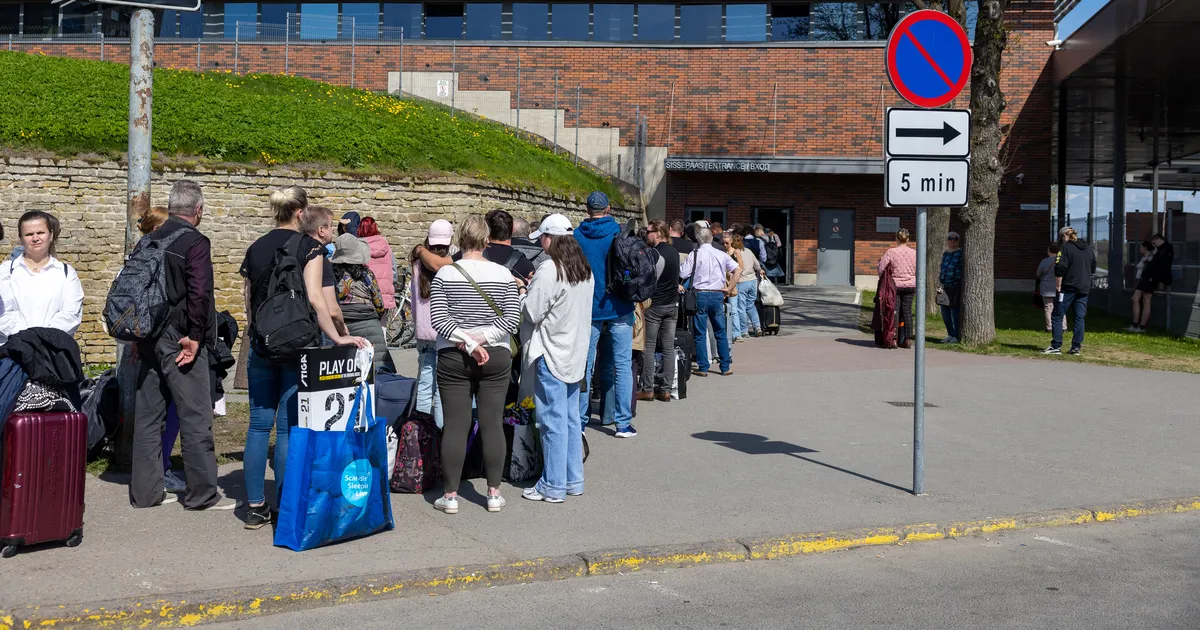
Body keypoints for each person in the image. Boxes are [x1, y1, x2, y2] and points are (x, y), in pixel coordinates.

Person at [240, 186, 368, 529]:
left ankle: (254, 506)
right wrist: (338, 336)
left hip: (263, 344)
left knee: (257, 426)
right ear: (301, 213)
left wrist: (259, 337)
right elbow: (315, 298)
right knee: (286, 429)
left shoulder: (254, 248)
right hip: (298, 345)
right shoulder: (310, 247)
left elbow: (249, 304)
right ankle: (283, 505)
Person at [128, 181, 236, 512]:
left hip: (146, 336)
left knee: (148, 418)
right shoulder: (194, 242)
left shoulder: (147, 240)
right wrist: (194, 335)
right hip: (180, 339)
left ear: (172, 207)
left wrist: (136, 337)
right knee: (195, 415)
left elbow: (134, 291)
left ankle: (146, 494)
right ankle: (202, 494)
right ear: (198, 211)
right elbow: (199, 293)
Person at [429, 214, 521, 514]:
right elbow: (511, 319)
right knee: (492, 423)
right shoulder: (504, 275)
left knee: (456, 425)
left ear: (460, 240)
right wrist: (483, 339)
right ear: (486, 241)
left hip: (454, 356)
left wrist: (469, 342)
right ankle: (494, 493)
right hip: (495, 355)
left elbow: (439, 321)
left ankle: (451, 495)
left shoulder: (445, 275)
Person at [519, 214, 593, 503]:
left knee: (551, 421)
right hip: (575, 352)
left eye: (544, 238)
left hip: (551, 351)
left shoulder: (549, 269)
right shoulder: (584, 268)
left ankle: (552, 485)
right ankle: (573, 479)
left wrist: (524, 290)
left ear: (550, 238)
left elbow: (532, 312)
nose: (543, 244)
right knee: (572, 419)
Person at [574, 192, 637, 438]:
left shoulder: (577, 236)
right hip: (619, 304)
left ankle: (579, 420)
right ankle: (622, 423)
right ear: (609, 208)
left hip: (588, 307)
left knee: (585, 365)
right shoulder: (619, 233)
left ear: (587, 209)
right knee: (621, 364)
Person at [0, 210, 83, 345]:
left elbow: (70, 315)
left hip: (52, 352)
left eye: (40, 233)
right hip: (13, 351)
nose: (35, 238)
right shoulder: (6, 271)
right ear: (21, 238)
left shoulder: (66, 273)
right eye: (29, 234)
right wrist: (27, 339)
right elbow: (3, 314)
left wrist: (42, 339)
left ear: (50, 235)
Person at [680, 224, 740, 376]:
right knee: (720, 331)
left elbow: (682, 273)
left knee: (700, 332)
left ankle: (703, 366)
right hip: (717, 293)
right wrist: (730, 288)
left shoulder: (695, 254)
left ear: (698, 239)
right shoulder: (721, 254)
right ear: (712, 238)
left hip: (700, 294)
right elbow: (738, 270)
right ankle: (725, 366)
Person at [410, 220, 454, 428]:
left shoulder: (417, 263)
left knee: (425, 386)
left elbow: (413, 299)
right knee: (443, 390)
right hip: (444, 332)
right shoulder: (450, 265)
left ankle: (422, 435)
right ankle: (439, 433)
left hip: (424, 331)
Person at [331, 233, 394, 372]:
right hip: (368, 323)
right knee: (378, 369)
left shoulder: (330, 275)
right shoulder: (366, 274)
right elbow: (379, 303)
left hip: (340, 326)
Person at [639, 220, 679, 402]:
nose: (647, 234)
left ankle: (647, 388)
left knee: (649, 347)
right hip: (672, 304)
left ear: (658, 233)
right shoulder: (674, 252)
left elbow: (647, 279)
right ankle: (666, 389)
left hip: (655, 305)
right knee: (668, 348)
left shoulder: (654, 253)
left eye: (649, 231)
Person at [299, 205, 349, 342]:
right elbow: (332, 309)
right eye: (330, 226)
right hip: (316, 329)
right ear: (321, 230)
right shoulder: (319, 259)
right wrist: (342, 330)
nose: (333, 230)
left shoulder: (294, 252)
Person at [1045, 226, 1096, 356]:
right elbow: (1093, 267)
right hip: (1084, 288)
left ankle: (1056, 345)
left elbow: (1060, 267)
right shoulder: (1089, 249)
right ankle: (1076, 347)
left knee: (1057, 315)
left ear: (1064, 236)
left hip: (1067, 288)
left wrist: (1058, 286)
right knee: (1080, 317)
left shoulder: (1065, 248)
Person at [878, 229, 917, 349]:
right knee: (907, 311)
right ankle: (907, 339)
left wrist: (882, 279)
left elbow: (881, 268)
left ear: (896, 239)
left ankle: (893, 338)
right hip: (910, 285)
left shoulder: (891, 252)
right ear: (908, 239)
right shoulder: (914, 253)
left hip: (895, 285)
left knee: (894, 311)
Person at [1128, 234, 1173, 333]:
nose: (1154, 245)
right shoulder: (1158, 250)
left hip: (1151, 278)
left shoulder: (1166, 249)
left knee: (1146, 300)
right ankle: (1135, 324)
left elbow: (1162, 264)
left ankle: (1142, 326)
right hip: (1146, 276)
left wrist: (1155, 276)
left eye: (1154, 243)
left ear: (1158, 239)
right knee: (1135, 298)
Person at [357, 217, 397, 316]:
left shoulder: (358, 246)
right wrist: (392, 284)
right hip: (384, 291)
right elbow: (393, 268)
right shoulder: (385, 244)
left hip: (364, 292)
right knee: (382, 327)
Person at [730, 233, 764, 341]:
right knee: (751, 305)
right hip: (753, 281)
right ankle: (757, 326)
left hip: (742, 282)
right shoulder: (748, 251)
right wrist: (760, 270)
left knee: (741, 308)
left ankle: (744, 331)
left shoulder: (735, 253)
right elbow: (757, 264)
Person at [937, 231, 964, 344]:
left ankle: (956, 336)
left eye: (955, 239)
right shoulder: (946, 254)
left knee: (954, 312)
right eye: (950, 238)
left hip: (955, 286)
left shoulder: (961, 253)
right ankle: (950, 334)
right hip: (944, 286)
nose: (952, 241)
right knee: (945, 311)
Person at [1036, 243, 1060, 333]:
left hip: (1046, 287)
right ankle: (1063, 326)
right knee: (1060, 307)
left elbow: (1038, 273)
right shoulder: (1062, 261)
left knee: (1048, 307)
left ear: (1049, 251)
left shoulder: (1044, 261)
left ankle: (1049, 327)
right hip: (1059, 287)